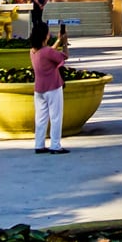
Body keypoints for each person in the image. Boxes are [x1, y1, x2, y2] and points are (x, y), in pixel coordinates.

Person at [30, 22, 71, 154]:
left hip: (39, 89)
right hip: (53, 87)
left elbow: (49, 53)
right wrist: (64, 42)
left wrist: (58, 40)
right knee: (56, 117)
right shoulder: (47, 52)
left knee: (41, 118)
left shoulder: (33, 51)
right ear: (45, 36)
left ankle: (39, 144)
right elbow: (64, 56)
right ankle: (55, 145)